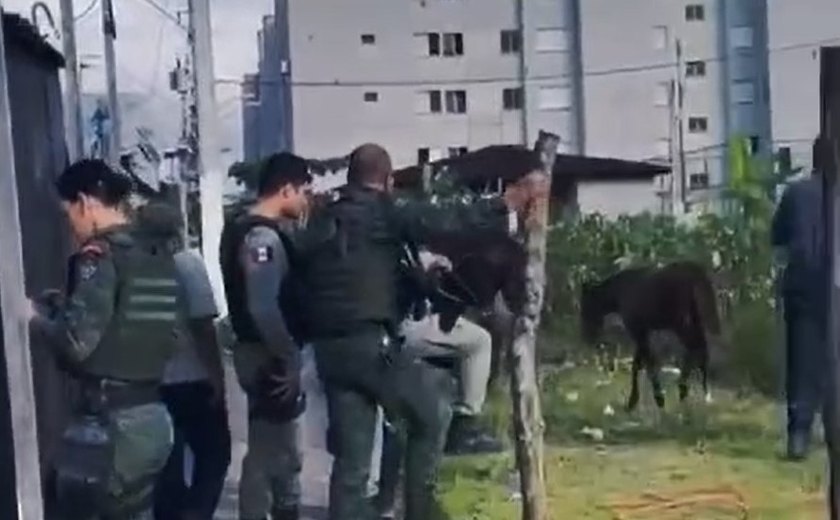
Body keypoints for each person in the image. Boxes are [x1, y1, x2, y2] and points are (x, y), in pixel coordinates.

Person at [302, 143, 545, 520]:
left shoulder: (322, 219)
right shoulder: (384, 209)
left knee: (352, 462)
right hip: (370, 344)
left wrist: (417, 280)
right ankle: (421, 509)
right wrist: (506, 202)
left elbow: (350, 275)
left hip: (328, 352)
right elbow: (447, 220)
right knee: (431, 411)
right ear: (387, 180)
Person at [28, 159, 177, 519]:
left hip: (111, 429)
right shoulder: (155, 254)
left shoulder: (99, 255)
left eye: (69, 216)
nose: (72, 228)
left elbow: (77, 343)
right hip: (153, 422)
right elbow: (138, 325)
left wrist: (34, 317)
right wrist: (64, 306)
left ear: (85, 202)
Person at [219, 152, 313, 520]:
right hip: (267, 355)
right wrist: (289, 356)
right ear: (286, 188)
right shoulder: (261, 238)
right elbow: (262, 307)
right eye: (303, 190)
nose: (305, 199)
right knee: (271, 451)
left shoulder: (247, 228)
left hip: (263, 351)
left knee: (277, 450)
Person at [139, 203, 231, 520]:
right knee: (215, 456)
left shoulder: (134, 266)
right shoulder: (187, 264)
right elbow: (203, 326)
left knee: (168, 464)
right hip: (191, 379)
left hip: (151, 382)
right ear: (178, 228)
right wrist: (217, 378)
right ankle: (195, 514)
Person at [772, 136, 829, 461]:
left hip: (803, 287)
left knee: (802, 361)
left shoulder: (796, 192)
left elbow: (777, 236)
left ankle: (799, 437)